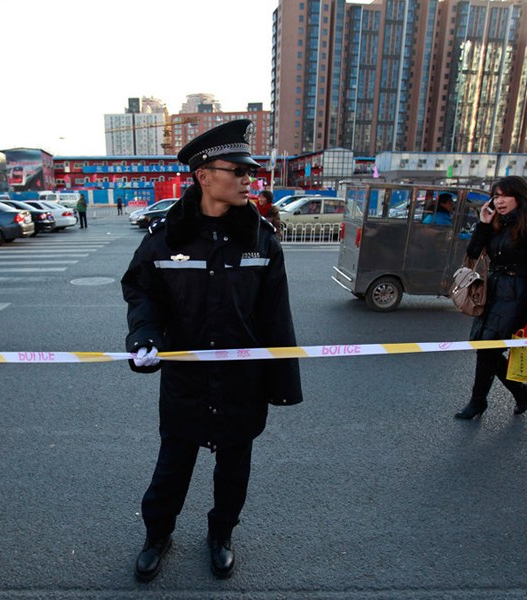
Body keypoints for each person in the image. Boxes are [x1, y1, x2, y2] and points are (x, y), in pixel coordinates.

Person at [121, 119, 302, 582]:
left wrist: (282, 382)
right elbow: (143, 293)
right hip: (187, 382)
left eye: (251, 172)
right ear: (204, 175)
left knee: (233, 471)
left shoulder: (261, 238)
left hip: (243, 382)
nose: (249, 180)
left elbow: (276, 315)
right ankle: (156, 536)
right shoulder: (166, 237)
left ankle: (221, 535)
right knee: (172, 469)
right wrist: (145, 338)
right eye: (237, 171)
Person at [454, 176, 527, 421]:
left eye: (504, 196)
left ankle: (478, 402)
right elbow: (473, 253)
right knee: (483, 346)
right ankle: (518, 390)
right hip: (493, 289)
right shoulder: (495, 222)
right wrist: (483, 224)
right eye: (495, 196)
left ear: (519, 196)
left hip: (517, 293)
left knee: (489, 348)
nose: (499, 201)